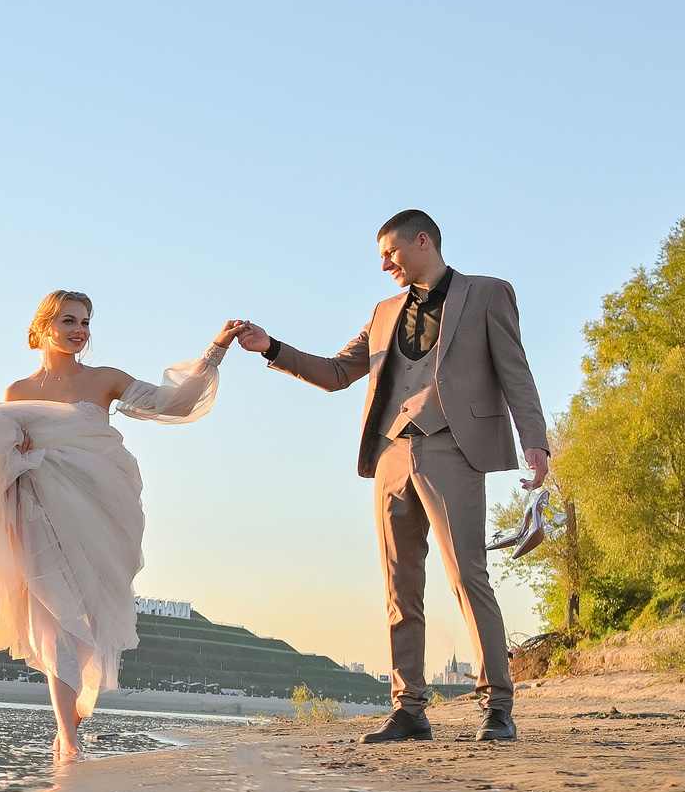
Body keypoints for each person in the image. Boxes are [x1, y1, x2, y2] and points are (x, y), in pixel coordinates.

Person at [0, 290, 239, 763]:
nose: (80, 330)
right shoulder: (16, 395)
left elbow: (174, 403)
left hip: (101, 514)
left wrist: (216, 349)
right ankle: (68, 738)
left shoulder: (105, 380)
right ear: (44, 328)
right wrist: (14, 458)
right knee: (56, 621)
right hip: (37, 514)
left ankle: (71, 715)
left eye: (86, 322)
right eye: (69, 321)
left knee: (94, 619)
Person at [231, 209, 548, 744]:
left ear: (422, 241)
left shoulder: (489, 294)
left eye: (391, 252)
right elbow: (336, 373)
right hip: (391, 454)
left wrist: (534, 441)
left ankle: (498, 706)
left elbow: (516, 370)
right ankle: (409, 710)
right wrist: (273, 348)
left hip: (455, 447)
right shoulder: (383, 313)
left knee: (468, 578)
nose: (384, 265)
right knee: (401, 588)